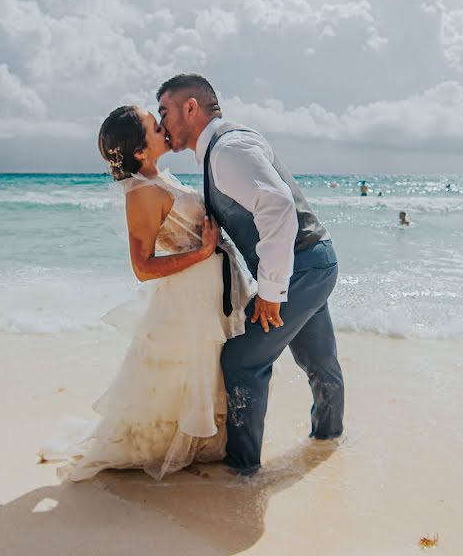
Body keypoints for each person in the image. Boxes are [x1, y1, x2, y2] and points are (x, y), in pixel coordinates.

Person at [38, 105, 255, 481]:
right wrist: (203, 252)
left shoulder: (160, 178)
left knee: (208, 368)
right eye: (156, 127)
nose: (164, 127)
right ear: (140, 151)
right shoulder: (140, 191)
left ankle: (209, 440)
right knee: (184, 372)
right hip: (186, 300)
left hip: (206, 294)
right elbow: (143, 267)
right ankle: (175, 443)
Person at [158, 74, 344, 476]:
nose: (161, 125)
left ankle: (242, 471)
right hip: (311, 261)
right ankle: (329, 443)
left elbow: (277, 208)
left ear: (190, 108)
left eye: (165, 112)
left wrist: (272, 292)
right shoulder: (221, 149)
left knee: (242, 361)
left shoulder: (228, 149)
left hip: (301, 267)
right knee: (319, 361)